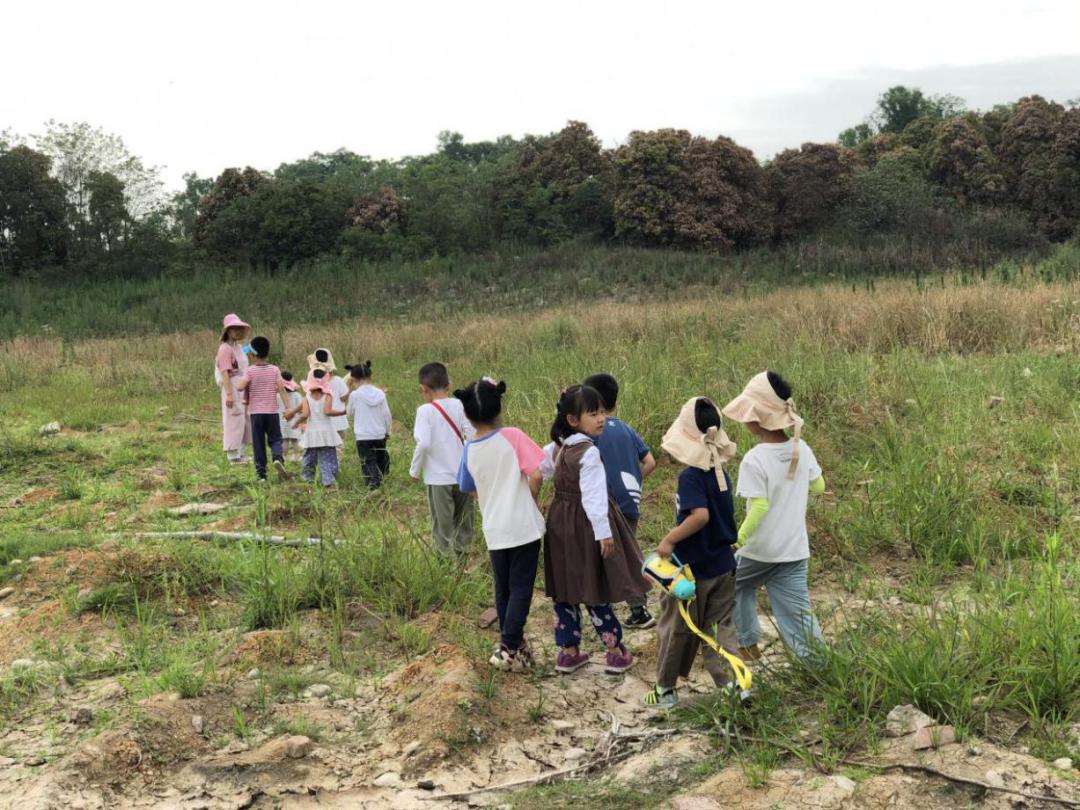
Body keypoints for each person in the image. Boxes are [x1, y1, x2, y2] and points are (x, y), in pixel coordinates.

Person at [722, 370, 826, 660]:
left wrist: (737, 538)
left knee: (732, 586)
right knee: (797, 612)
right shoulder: (801, 448)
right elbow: (819, 486)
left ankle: (746, 644)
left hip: (759, 551)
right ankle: (816, 662)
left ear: (755, 418)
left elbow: (759, 507)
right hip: (794, 550)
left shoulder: (755, 459)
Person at [542, 384, 646, 675]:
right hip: (585, 527)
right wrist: (604, 533)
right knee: (592, 584)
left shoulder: (558, 448)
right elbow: (594, 498)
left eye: (602, 412)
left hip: (560, 525)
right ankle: (615, 651)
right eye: (593, 413)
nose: (601, 418)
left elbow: (536, 468)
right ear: (573, 420)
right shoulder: (587, 452)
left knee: (564, 585)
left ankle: (568, 652)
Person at [644, 397, 739, 709]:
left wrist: (669, 540)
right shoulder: (720, 473)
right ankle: (733, 686)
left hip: (691, 570)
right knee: (719, 628)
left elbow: (700, 516)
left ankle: (665, 690)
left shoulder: (690, 478)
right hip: (724, 566)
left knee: (677, 627)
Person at [455, 378, 545, 671]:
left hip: (494, 527)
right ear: (499, 407)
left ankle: (514, 646)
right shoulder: (513, 436)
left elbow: (467, 487)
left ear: (467, 415)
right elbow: (537, 473)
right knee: (521, 588)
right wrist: (530, 497)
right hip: (523, 525)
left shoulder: (470, 448)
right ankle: (507, 646)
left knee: (503, 587)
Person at [582, 373, 657, 629]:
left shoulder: (591, 434)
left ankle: (637, 610)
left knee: (614, 557)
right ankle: (638, 606)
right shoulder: (625, 428)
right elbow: (650, 461)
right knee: (630, 551)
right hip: (630, 502)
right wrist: (634, 482)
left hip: (606, 506)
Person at [410, 362, 475, 555]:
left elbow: (424, 443)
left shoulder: (424, 411)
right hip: (463, 476)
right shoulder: (460, 404)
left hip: (438, 479)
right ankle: (462, 565)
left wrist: (414, 470)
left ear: (423, 389)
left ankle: (444, 568)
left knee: (442, 526)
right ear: (449, 385)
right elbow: (471, 436)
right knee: (464, 523)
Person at [233, 336, 292, 482]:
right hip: (271, 412)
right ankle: (277, 458)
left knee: (258, 443)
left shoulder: (250, 371)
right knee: (276, 439)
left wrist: (238, 380)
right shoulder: (274, 369)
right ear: (267, 353)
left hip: (256, 413)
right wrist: (288, 408)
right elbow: (282, 389)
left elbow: (240, 387)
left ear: (252, 354)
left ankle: (261, 475)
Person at [288, 370, 346, 488]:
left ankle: (307, 481)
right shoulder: (328, 396)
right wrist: (343, 412)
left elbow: (304, 415)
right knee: (328, 458)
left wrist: (296, 423)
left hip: (312, 433)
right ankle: (329, 483)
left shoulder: (306, 398)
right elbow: (327, 411)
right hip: (326, 433)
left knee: (309, 458)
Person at [345, 361, 392, 489]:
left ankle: (373, 484)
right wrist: (387, 431)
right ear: (370, 376)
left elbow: (349, 413)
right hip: (379, 433)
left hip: (363, 435)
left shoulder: (355, 395)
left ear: (353, 379)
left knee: (367, 461)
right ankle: (381, 480)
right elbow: (387, 415)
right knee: (379, 457)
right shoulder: (380, 394)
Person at [215, 313, 252, 464]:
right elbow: (225, 371)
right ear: (228, 331)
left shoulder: (237, 347)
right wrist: (229, 394)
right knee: (233, 418)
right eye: (234, 328)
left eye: (240, 328)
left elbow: (242, 358)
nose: (238, 331)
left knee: (244, 419)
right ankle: (232, 455)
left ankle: (240, 452)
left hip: (241, 386)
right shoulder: (224, 348)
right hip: (232, 385)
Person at [307, 347, 350, 451]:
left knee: (324, 448)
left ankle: (327, 465)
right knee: (338, 447)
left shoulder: (313, 382)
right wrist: (351, 388)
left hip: (321, 422)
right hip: (338, 421)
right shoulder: (338, 381)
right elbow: (343, 398)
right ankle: (336, 465)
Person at [278, 372, 303, 463]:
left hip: (282, 421)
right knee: (295, 440)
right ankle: (296, 457)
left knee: (284, 440)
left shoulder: (278, 396)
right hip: (294, 421)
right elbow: (301, 408)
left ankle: (283, 457)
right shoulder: (297, 395)